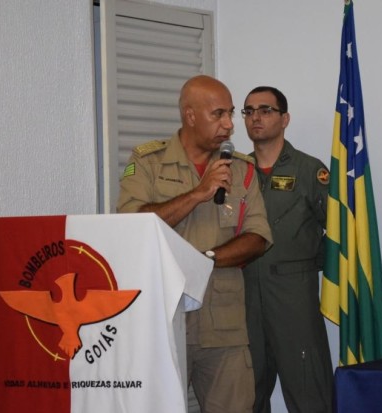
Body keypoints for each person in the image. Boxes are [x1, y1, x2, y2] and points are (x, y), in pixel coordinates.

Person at [117, 75, 273, 413]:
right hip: (161, 322)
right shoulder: (148, 162)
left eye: (230, 113)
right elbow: (131, 225)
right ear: (190, 115)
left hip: (224, 326)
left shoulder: (242, 169)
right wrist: (198, 193)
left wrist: (205, 259)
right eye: (218, 114)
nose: (229, 124)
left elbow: (258, 238)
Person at [241, 86, 333, 413]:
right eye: (249, 111)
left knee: (309, 391)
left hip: (294, 297)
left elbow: (339, 233)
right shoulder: (237, 171)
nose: (256, 117)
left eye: (265, 110)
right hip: (244, 296)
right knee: (246, 395)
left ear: (285, 119)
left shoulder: (309, 170)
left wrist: (305, 263)